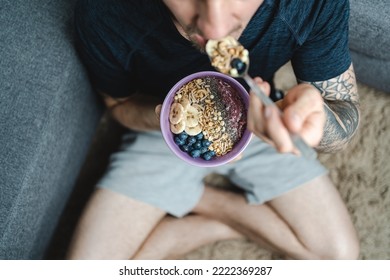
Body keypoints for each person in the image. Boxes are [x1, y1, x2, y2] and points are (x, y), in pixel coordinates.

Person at [67, 0, 360, 260]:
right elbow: (119, 105)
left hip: (262, 120)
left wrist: (303, 121)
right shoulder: (103, 12)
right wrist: (163, 118)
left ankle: (200, 200)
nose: (215, 26)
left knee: (339, 255)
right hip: (161, 133)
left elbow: (344, 112)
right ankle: (231, 221)